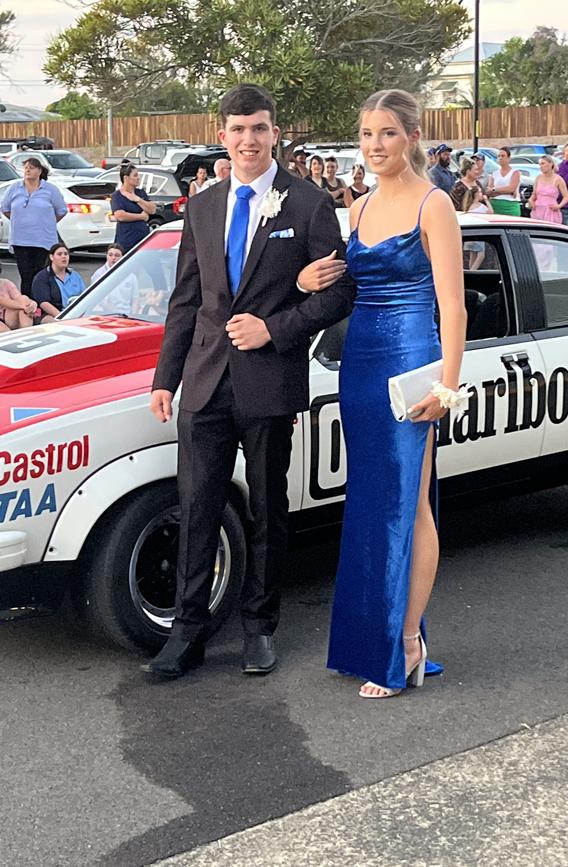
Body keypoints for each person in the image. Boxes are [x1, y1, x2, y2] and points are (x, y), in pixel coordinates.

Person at [146, 83, 355, 680]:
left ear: (275, 133)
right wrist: (167, 377)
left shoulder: (308, 204)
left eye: (259, 128)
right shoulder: (204, 206)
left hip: (269, 381)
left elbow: (341, 291)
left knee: (267, 509)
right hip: (205, 383)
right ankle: (187, 632)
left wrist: (275, 328)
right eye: (238, 130)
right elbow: (187, 299)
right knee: (197, 508)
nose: (249, 140)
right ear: (222, 136)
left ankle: (259, 628)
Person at [325, 89, 466, 699]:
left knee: (409, 502)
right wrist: (311, 277)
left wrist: (448, 385)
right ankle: (371, 639)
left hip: (412, 361)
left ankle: (406, 642)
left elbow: (454, 307)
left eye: (386, 133)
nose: (374, 145)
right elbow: (345, 290)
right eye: (365, 134)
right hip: (360, 364)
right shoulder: (355, 209)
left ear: (410, 136)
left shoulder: (436, 206)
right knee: (370, 501)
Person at [0, 157, 67, 298]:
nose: (28, 170)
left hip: (43, 240)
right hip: (21, 240)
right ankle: (27, 307)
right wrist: (19, 221)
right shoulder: (15, 188)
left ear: (39, 171)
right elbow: (5, 208)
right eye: (26, 168)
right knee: (26, 275)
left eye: (31, 167)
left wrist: (46, 222)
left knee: (40, 274)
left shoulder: (50, 190)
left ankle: (41, 305)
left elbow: (61, 210)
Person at [31, 243, 86, 321]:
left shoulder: (75, 275)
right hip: (51, 314)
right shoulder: (42, 277)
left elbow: (84, 296)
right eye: (59, 254)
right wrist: (62, 317)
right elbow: (43, 303)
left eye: (66, 254)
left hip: (76, 313)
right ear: (51, 257)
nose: (63, 256)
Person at [111, 162, 157, 252]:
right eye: (135, 175)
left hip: (143, 236)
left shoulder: (140, 193)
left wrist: (137, 200)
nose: (138, 178)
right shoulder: (117, 195)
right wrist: (141, 216)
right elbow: (120, 216)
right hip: (126, 238)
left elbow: (152, 209)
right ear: (126, 178)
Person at [529, 155, 568, 223]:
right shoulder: (538, 178)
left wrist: (559, 206)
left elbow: (566, 197)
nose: (541, 166)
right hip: (538, 209)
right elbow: (534, 194)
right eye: (540, 164)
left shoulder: (558, 179)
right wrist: (530, 200)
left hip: (551, 210)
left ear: (551, 164)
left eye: (543, 163)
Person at [461, 184, 493, 270]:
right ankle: (473, 271)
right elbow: (491, 212)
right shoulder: (481, 207)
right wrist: (487, 201)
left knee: (473, 255)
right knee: (481, 255)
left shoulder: (468, 207)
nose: (481, 194)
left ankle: (471, 272)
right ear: (475, 194)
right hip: (479, 233)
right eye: (479, 192)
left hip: (471, 233)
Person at [0, 265, 37, 331]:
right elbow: (4, 302)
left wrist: (32, 304)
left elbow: (20, 298)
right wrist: (25, 306)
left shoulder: (5, 283)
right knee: (6, 332)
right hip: (3, 317)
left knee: (24, 299)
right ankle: (26, 332)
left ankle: (26, 331)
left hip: (8, 315)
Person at [486, 146, 521, 216]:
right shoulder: (494, 173)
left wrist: (494, 190)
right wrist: (505, 191)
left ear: (509, 158)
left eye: (503, 156)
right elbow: (488, 192)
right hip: (495, 205)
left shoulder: (515, 172)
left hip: (511, 206)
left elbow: (511, 189)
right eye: (498, 156)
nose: (500, 158)